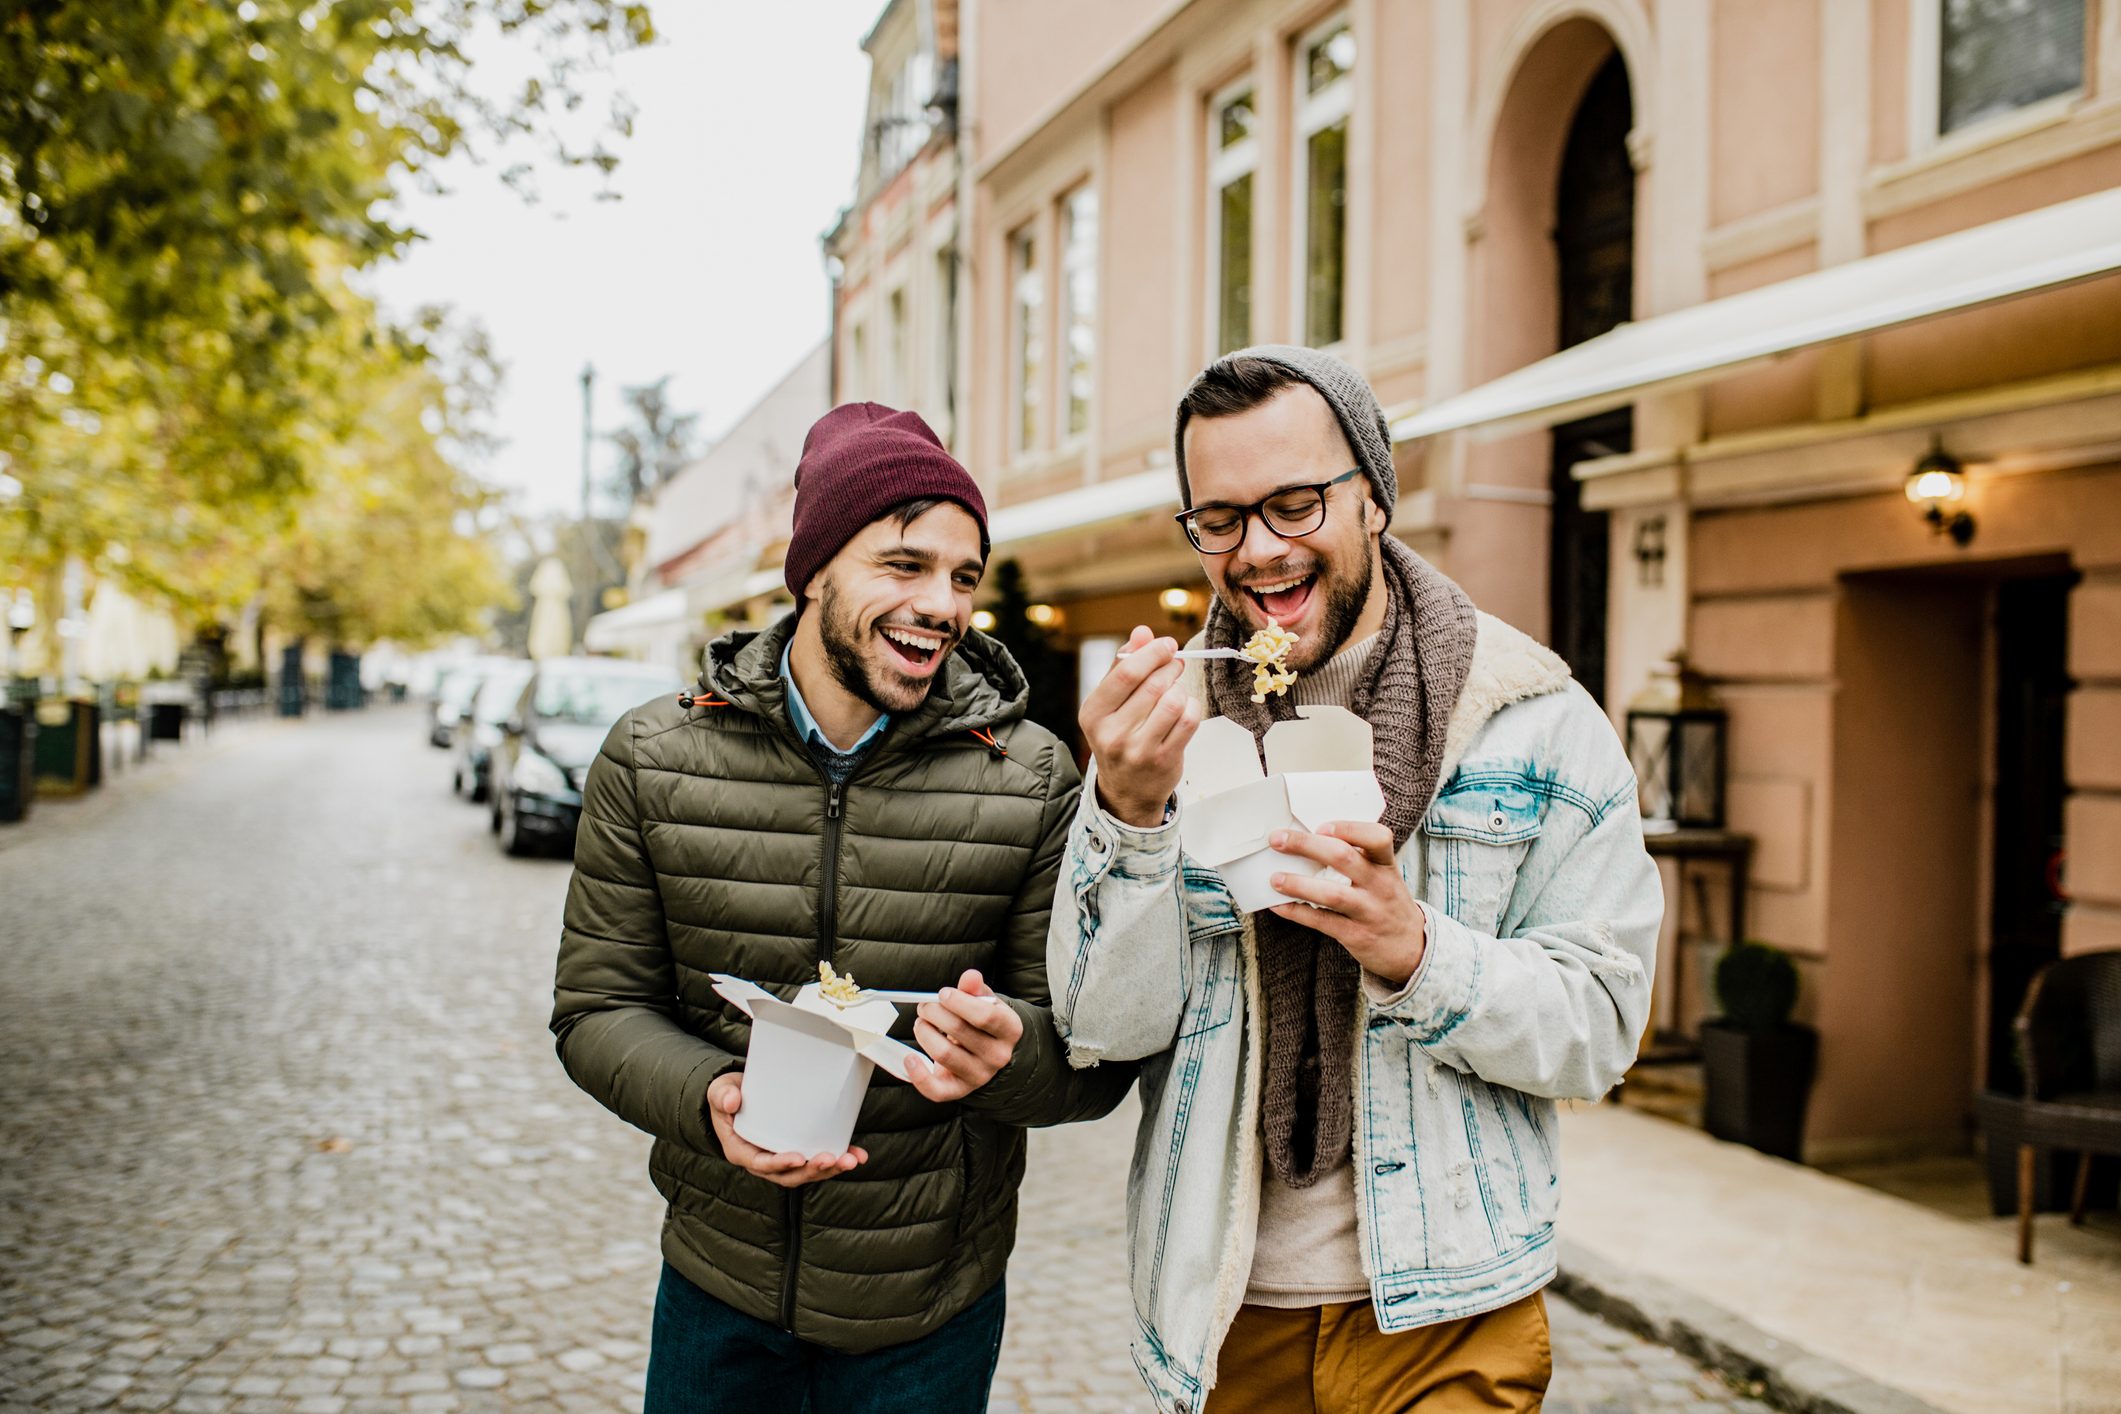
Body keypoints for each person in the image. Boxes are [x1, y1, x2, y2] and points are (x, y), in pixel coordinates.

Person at [1049, 346, 1663, 1413]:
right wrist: (1129, 812)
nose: (1261, 550)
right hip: (1228, 1311)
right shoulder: (1163, 735)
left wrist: (1412, 947)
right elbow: (1102, 1021)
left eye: (1295, 503)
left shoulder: (1533, 719)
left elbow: (1600, 1027)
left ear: (1374, 496)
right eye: (1222, 520)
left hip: (1452, 1312)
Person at [553, 402, 1131, 1413]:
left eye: (962, 576)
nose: (942, 603)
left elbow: (1091, 1062)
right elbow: (595, 1010)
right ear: (814, 567)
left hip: (930, 1310)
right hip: (716, 1289)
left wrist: (1008, 1054)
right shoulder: (652, 758)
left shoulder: (1034, 777)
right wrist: (708, 1097)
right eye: (903, 565)